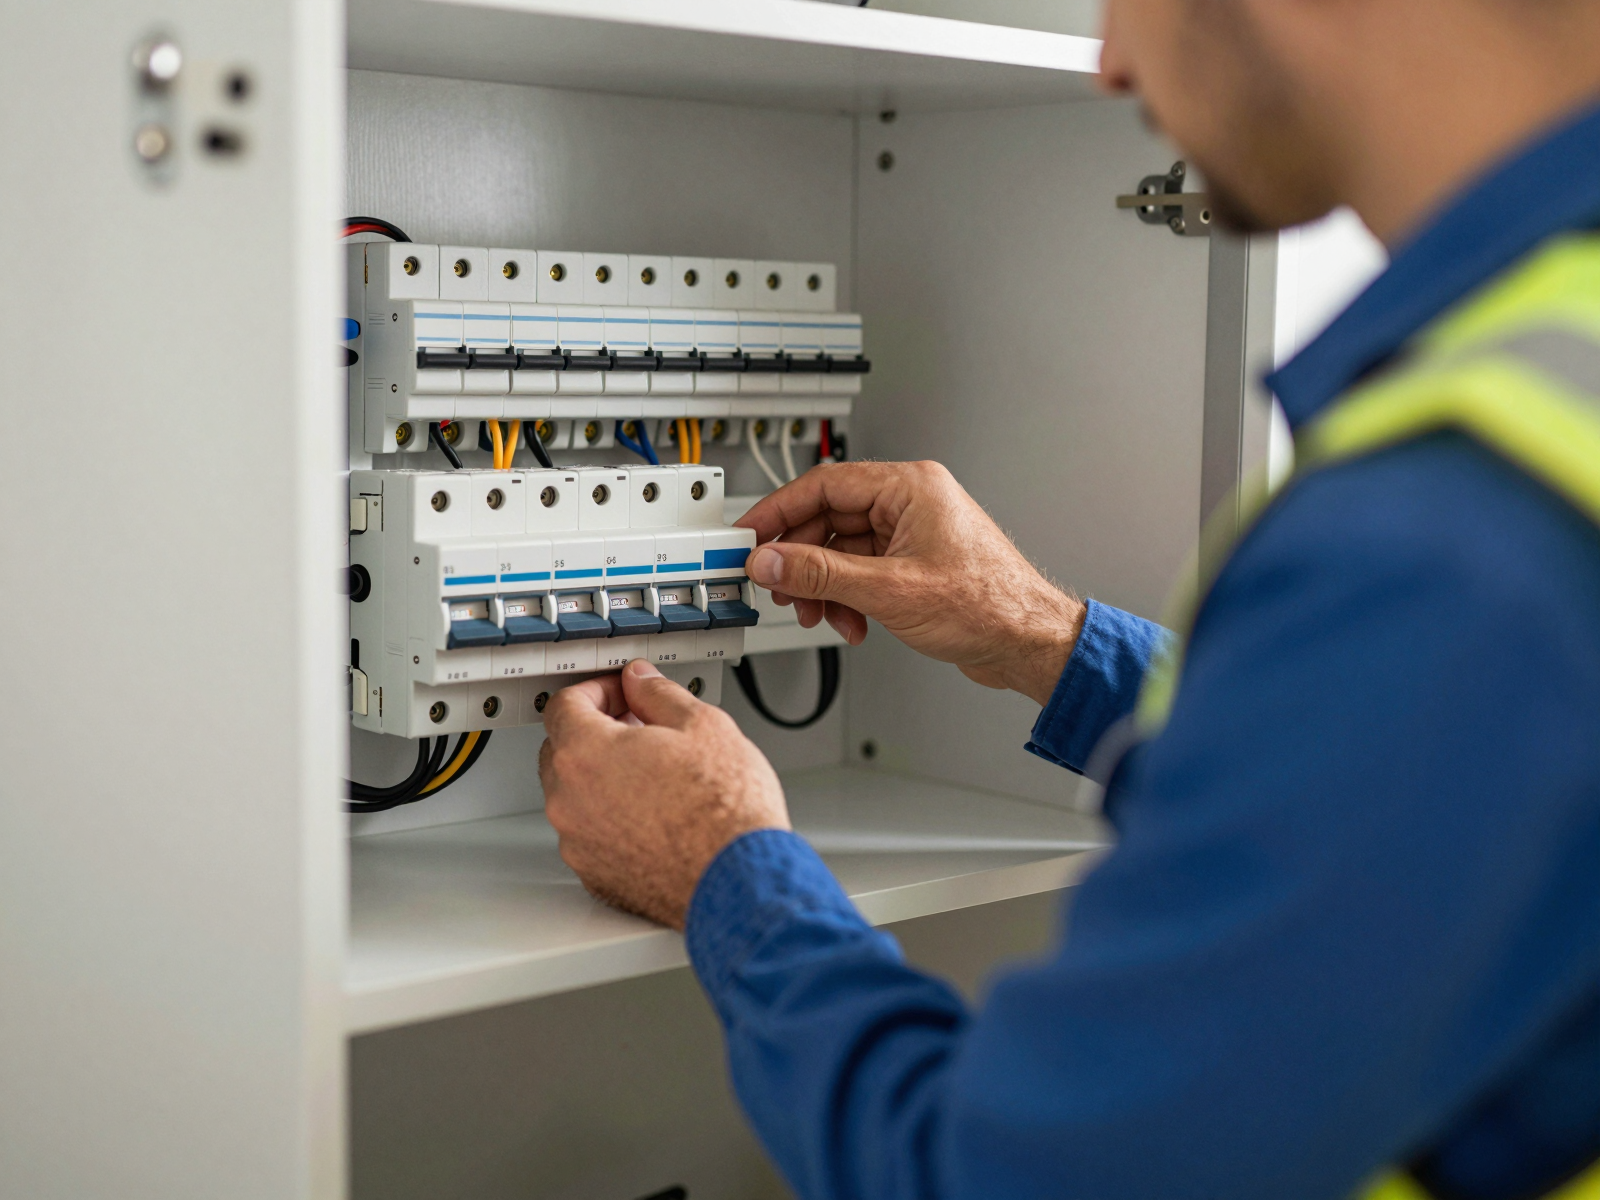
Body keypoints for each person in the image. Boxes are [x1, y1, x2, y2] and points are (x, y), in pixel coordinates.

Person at [537, 0, 1600, 1196]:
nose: (1107, 66)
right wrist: (1043, 636)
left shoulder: (1447, 527)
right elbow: (1435, 779)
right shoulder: (1541, 417)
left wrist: (723, 867)